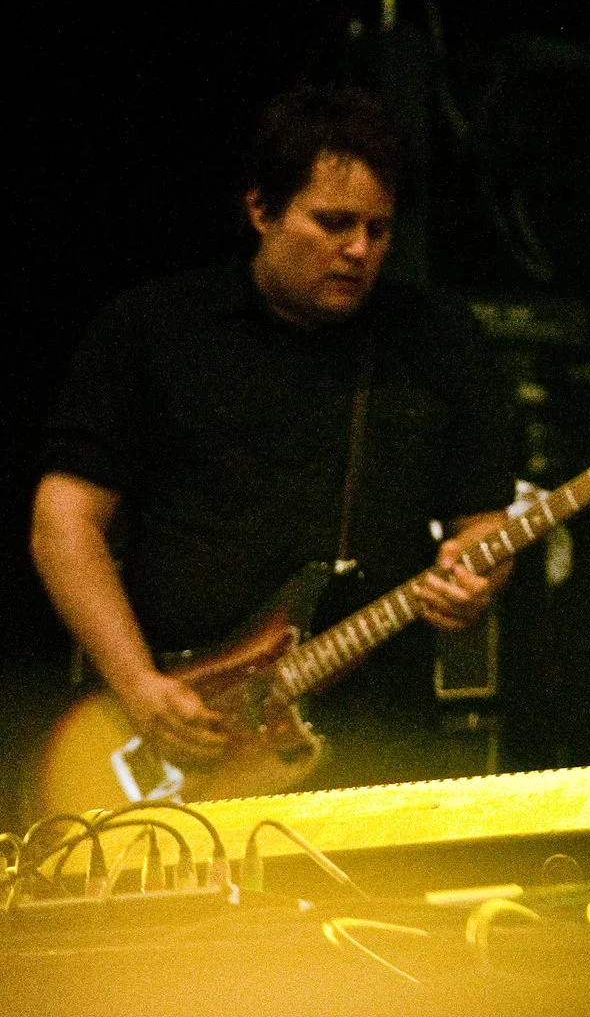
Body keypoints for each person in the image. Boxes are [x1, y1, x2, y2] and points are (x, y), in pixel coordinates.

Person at [30, 86, 518, 786]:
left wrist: (478, 581)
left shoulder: (437, 341)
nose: (358, 250)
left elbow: (484, 525)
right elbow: (64, 523)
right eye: (333, 222)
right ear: (261, 209)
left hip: (379, 736)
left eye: (378, 231)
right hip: (183, 727)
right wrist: (137, 683)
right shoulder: (153, 330)